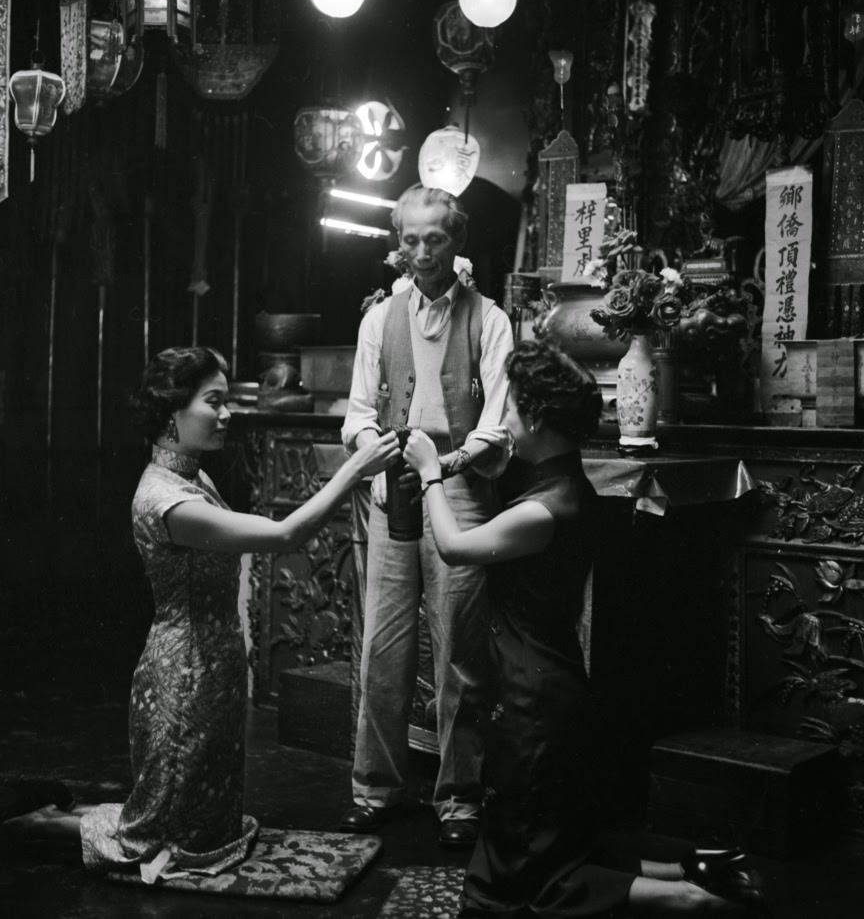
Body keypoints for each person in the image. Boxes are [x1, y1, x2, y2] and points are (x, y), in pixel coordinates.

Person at [0, 346, 400, 882]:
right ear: (172, 412)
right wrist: (355, 468)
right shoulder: (165, 499)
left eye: (228, 400)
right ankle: (27, 828)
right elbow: (285, 535)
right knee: (156, 843)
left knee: (203, 825)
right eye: (214, 401)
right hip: (183, 677)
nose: (227, 413)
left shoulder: (194, 477)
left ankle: (52, 812)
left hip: (215, 668)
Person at [401, 339, 768, 917]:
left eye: (514, 409)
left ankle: (686, 898)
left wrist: (429, 474)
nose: (505, 420)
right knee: (547, 838)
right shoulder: (567, 482)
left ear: (538, 419)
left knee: (530, 876)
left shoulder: (545, 508)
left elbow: (452, 548)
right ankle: (700, 870)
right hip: (551, 680)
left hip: (532, 696)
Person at [339, 184, 514, 848]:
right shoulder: (379, 320)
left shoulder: (488, 318)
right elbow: (357, 412)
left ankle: (459, 795)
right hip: (392, 493)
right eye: (409, 239)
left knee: (459, 656)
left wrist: (450, 461)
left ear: (457, 240)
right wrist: (372, 446)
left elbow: (500, 423)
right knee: (383, 648)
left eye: (433, 239)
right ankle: (374, 787)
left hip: (460, 495)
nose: (420, 252)